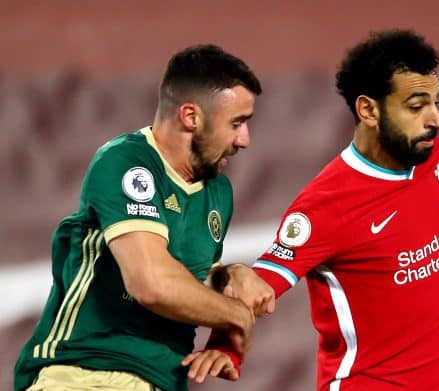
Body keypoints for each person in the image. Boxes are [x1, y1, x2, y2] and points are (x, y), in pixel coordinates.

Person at [186, 30, 439, 390]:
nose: (437, 119)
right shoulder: (326, 206)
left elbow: (437, 208)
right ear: (369, 110)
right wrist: (224, 348)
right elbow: (260, 283)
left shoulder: (425, 153)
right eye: (417, 106)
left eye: (436, 103)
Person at [14, 44, 264, 391]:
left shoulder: (217, 190)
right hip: (85, 372)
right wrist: (236, 315)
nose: (244, 140)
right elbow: (151, 284)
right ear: (191, 117)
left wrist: (232, 277)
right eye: (236, 123)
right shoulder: (127, 162)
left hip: (162, 380)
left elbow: (190, 277)